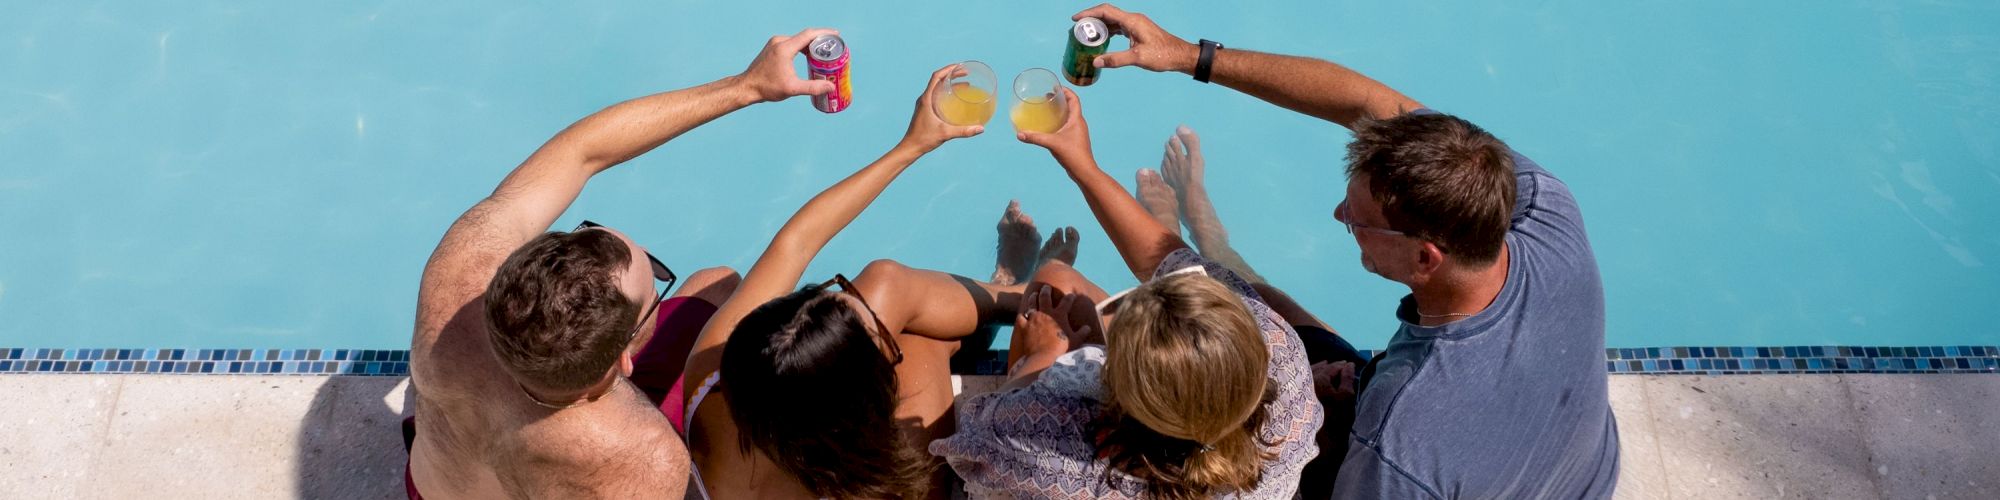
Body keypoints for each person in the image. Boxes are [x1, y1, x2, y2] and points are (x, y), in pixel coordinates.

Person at [1071, 4, 1621, 497]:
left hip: (1414, 468)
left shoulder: (1397, 443)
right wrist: (1190, 56)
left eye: (1357, 219)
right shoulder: (1541, 209)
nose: (1340, 216)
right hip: (1569, 473)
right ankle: (1210, 236)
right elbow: (1367, 102)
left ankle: (1197, 237)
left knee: (1201, 390)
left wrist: (1318, 436)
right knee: (1255, 299)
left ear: (1426, 257)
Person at [405, 28, 838, 499]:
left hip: (435, 485)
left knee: (714, 284)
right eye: (653, 292)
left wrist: (746, 86)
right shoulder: (641, 461)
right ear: (625, 359)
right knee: (730, 325)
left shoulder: (454, 283)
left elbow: (581, 153)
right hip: (589, 453)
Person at [677, 64, 1085, 500]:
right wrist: (1037, 363)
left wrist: (911, 146)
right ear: (861, 404)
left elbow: (797, 242)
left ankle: (1013, 292)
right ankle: (1011, 295)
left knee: (884, 279)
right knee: (921, 345)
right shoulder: (848, 479)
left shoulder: (712, 371)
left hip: (812, 434)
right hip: (890, 485)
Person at [930, 73, 1322, 498]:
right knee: (1057, 282)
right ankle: (1198, 226)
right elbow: (1164, 257)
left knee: (1037, 303)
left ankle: (1002, 285)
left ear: (1114, 389)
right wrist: (1082, 165)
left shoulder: (1061, 456)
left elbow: (972, 442)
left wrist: (1041, 360)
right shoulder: (1284, 361)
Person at [1136, 125, 1369, 498]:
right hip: (1350, 406)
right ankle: (1209, 234)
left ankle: (1177, 246)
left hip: (1322, 451)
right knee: (1263, 298)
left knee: (1184, 327)